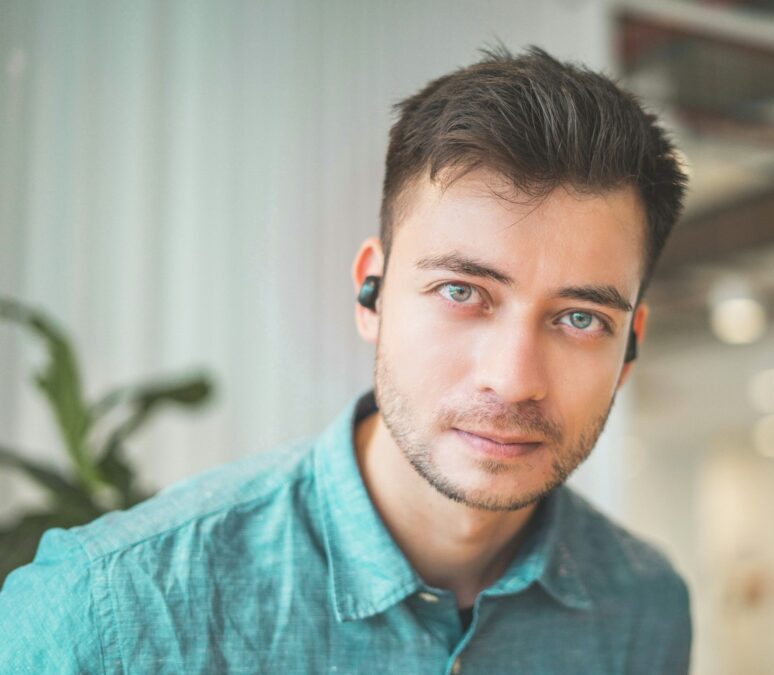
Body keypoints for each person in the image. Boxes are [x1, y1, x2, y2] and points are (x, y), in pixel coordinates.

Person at [0, 46, 691, 673]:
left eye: (580, 318)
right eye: (462, 291)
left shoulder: (644, 606)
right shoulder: (104, 611)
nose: (512, 379)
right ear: (373, 293)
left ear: (629, 347)